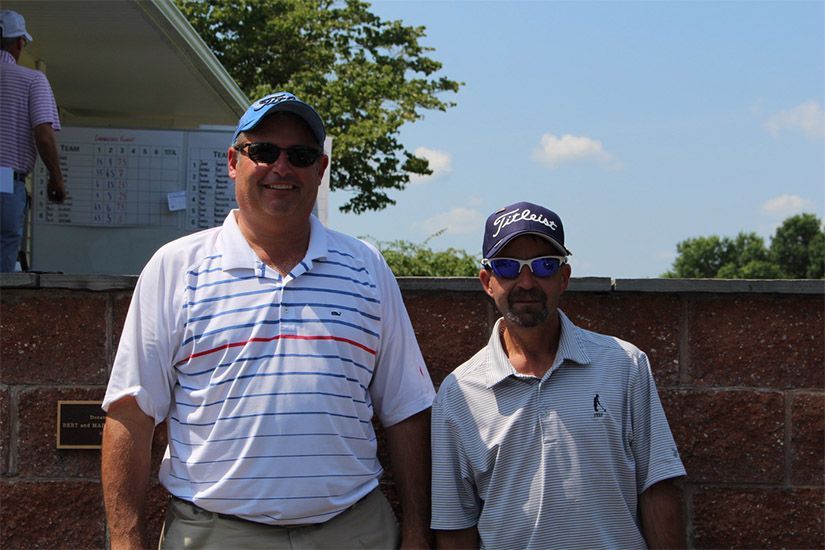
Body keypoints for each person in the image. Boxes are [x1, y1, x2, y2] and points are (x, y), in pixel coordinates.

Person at [101, 92, 436, 549]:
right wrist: (125, 540)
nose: (282, 167)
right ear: (233, 162)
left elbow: (407, 411)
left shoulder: (366, 267)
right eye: (263, 152)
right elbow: (131, 414)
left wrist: (417, 531)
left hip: (354, 531)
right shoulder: (175, 267)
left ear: (319, 170)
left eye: (299, 155)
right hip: (215, 534)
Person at [431, 201, 687, 549]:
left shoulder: (625, 365)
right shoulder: (459, 392)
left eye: (544, 266)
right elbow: (455, 524)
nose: (526, 281)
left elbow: (657, 487)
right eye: (507, 267)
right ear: (487, 281)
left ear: (563, 278)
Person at [0, 9, 65, 272]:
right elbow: (44, 136)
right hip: (5, 180)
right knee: (4, 249)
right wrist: (56, 177)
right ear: (19, 43)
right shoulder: (32, 80)